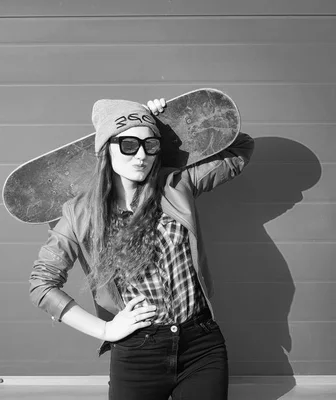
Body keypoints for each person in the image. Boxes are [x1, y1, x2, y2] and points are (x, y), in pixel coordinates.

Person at [28, 97, 255, 400]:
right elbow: (41, 285)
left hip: (201, 345)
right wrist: (105, 331)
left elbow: (241, 149)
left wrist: (173, 123)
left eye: (150, 146)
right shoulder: (79, 213)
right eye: (128, 145)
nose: (141, 156)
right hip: (137, 353)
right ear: (105, 149)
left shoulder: (176, 185)